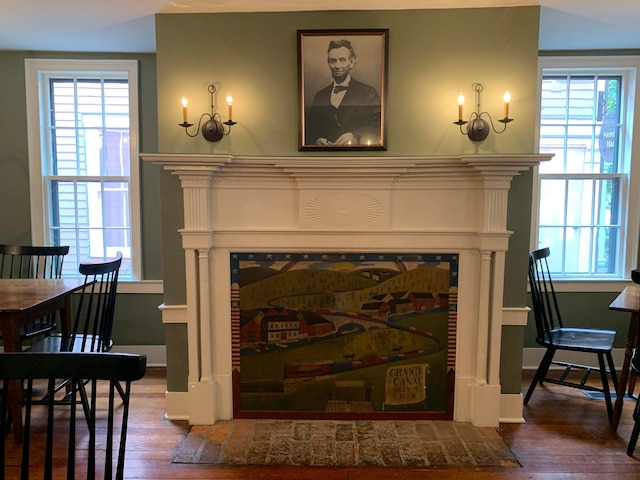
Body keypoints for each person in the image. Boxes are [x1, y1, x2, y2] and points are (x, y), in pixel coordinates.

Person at [305, 39, 381, 146]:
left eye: (342, 60)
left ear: (352, 62)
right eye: (333, 61)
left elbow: (379, 126)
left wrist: (354, 136)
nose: (337, 66)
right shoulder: (320, 96)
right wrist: (317, 140)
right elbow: (309, 130)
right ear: (328, 63)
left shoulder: (368, 92)